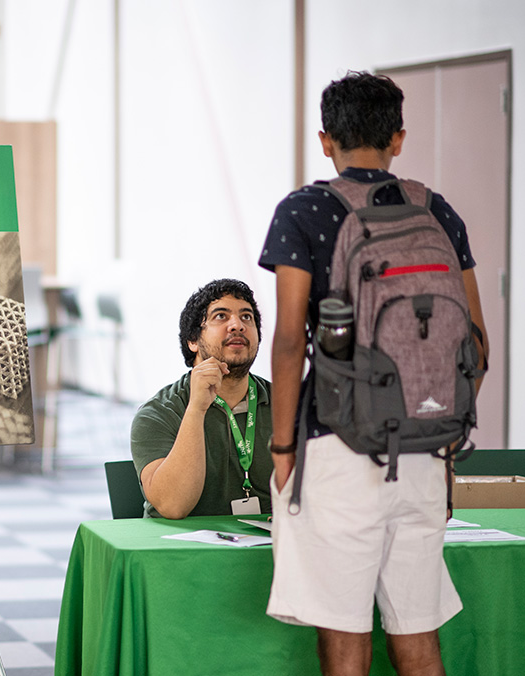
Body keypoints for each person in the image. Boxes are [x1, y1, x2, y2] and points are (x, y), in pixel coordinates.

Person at [258, 71, 489, 676]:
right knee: (417, 635)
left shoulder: (305, 211)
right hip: (425, 450)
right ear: (399, 138)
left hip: (338, 446)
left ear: (325, 139)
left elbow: (287, 342)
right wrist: (440, 440)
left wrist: (283, 449)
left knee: (344, 641)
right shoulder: (437, 211)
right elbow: (477, 343)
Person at [131, 278, 274, 519]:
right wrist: (196, 408)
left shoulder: (289, 404)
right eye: (221, 316)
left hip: (270, 549)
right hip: (184, 551)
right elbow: (173, 506)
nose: (237, 325)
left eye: (247, 317)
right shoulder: (158, 413)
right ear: (193, 340)